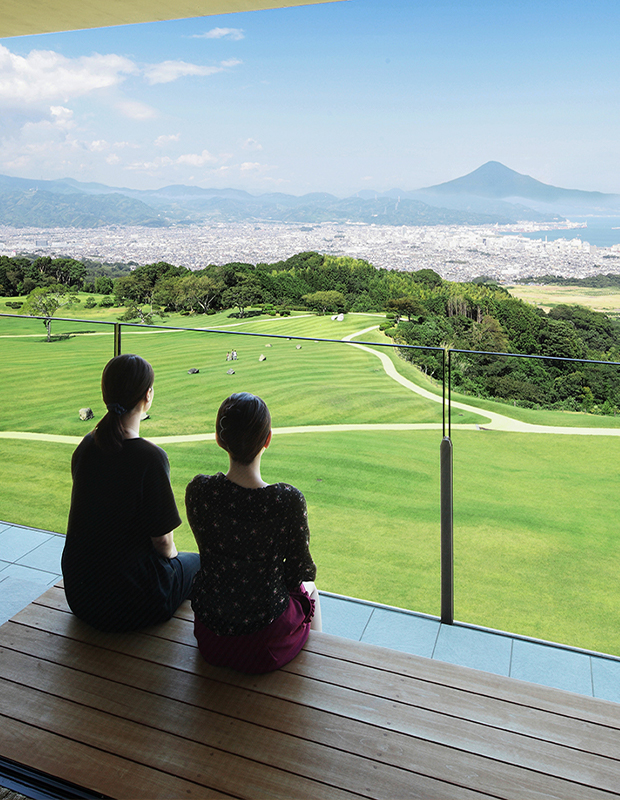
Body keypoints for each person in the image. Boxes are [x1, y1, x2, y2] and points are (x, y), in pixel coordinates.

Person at [62, 354, 200, 632]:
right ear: (147, 396)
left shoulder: (86, 447)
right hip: (133, 603)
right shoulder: (150, 458)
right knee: (197, 563)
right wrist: (175, 564)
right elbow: (163, 543)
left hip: (80, 595)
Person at [186, 392, 321, 674]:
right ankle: (316, 667)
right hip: (264, 644)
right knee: (311, 592)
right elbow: (300, 572)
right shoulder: (286, 500)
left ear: (219, 438)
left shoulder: (199, 491)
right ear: (267, 439)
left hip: (211, 637)